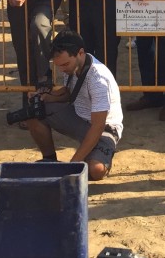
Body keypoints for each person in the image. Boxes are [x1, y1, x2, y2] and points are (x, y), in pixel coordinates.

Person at [26, 30, 124, 181]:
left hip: (104, 129)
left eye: (65, 64)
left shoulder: (98, 80)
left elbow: (98, 126)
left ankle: (93, 158)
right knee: (33, 111)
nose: (62, 69)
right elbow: (69, 92)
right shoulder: (72, 64)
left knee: (96, 171)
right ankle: (50, 161)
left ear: (80, 53)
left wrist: (73, 164)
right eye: (58, 65)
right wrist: (47, 97)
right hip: (78, 117)